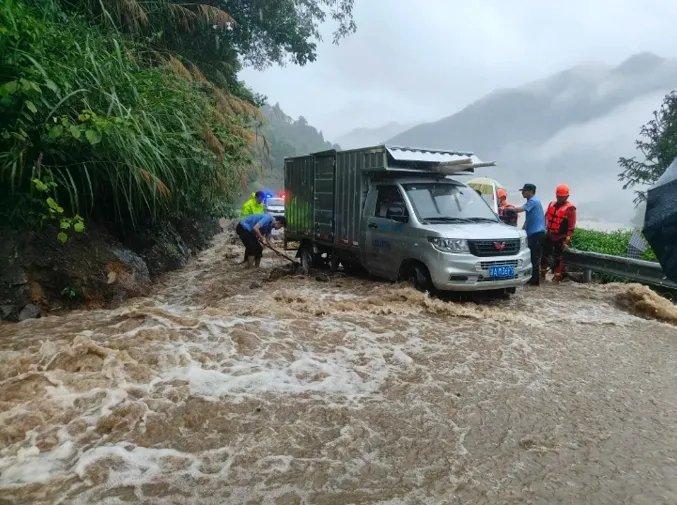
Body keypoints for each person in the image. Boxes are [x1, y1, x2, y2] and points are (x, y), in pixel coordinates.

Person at [542, 184, 577, 282]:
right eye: (558, 196)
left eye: (562, 197)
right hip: (549, 234)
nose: (560, 198)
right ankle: (542, 274)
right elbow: (545, 218)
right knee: (544, 255)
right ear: (556, 195)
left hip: (561, 237)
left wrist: (568, 239)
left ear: (567, 196)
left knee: (559, 258)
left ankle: (557, 278)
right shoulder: (551, 204)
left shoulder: (570, 208)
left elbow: (571, 225)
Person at [513, 183, 546, 285]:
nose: (522, 192)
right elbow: (529, 219)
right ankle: (532, 278)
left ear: (531, 192)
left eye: (524, 191)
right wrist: (523, 230)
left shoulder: (533, 201)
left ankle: (534, 281)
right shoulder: (531, 201)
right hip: (534, 233)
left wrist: (506, 208)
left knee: (533, 257)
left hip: (536, 233)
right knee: (531, 256)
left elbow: (519, 209)